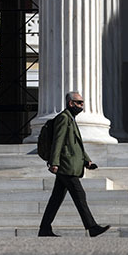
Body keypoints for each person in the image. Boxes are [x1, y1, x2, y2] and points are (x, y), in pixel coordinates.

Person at [38, 91, 111, 238]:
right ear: (71, 103)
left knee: (56, 198)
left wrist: (87, 160)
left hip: (68, 164)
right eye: (79, 102)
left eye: (82, 103)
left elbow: (76, 145)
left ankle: (44, 229)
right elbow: (58, 142)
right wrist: (55, 162)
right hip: (66, 165)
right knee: (79, 194)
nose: (82, 105)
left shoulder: (70, 119)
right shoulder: (64, 118)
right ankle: (92, 227)